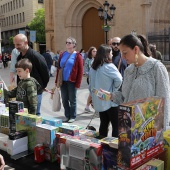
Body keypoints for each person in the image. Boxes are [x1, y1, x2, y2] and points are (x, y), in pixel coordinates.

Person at [100, 34, 170, 130]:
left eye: (125, 53)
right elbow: (125, 98)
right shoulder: (129, 70)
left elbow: (164, 103)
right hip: (128, 127)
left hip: (149, 132)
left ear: (136, 49)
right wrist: (111, 96)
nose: (123, 57)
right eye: (121, 54)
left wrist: (162, 133)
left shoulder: (156, 68)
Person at [89, 44, 122, 138]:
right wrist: (114, 90)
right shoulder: (109, 66)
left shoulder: (93, 67)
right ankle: (114, 147)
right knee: (116, 125)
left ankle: (101, 145)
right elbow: (119, 79)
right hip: (110, 101)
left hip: (99, 100)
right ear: (106, 54)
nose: (112, 55)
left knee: (103, 123)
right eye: (111, 53)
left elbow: (90, 85)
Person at [13, 34, 50, 116]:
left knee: (35, 115)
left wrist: (41, 87)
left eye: (18, 44)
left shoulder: (35, 56)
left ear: (26, 42)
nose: (16, 47)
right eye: (15, 44)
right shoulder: (19, 57)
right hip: (23, 92)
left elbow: (45, 74)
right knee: (25, 115)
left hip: (35, 92)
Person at [55, 37, 83, 123]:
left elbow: (80, 71)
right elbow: (59, 68)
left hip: (72, 81)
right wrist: (56, 81)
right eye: (66, 42)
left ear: (74, 44)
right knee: (64, 99)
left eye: (69, 43)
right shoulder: (62, 54)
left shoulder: (78, 55)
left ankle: (73, 116)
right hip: (63, 81)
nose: (67, 44)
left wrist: (78, 84)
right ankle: (67, 115)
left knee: (72, 99)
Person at [84, 46, 97, 112]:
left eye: (96, 51)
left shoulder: (96, 59)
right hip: (90, 79)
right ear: (90, 52)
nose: (95, 52)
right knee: (92, 93)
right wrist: (90, 74)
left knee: (92, 93)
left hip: (96, 79)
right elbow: (85, 70)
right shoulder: (88, 60)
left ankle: (87, 106)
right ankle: (90, 106)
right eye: (94, 51)